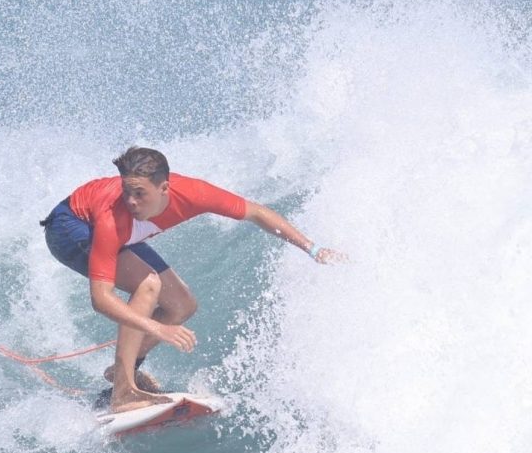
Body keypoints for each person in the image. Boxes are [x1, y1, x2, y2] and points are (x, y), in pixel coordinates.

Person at [40, 146, 343, 412]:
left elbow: (256, 212)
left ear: (164, 189)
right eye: (126, 191)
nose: (131, 201)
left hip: (120, 233)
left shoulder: (194, 193)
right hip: (70, 228)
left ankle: (122, 375)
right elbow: (100, 298)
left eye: (139, 193)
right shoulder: (112, 215)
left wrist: (314, 250)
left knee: (181, 305)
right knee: (148, 283)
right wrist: (156, 327)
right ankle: (123, 394)